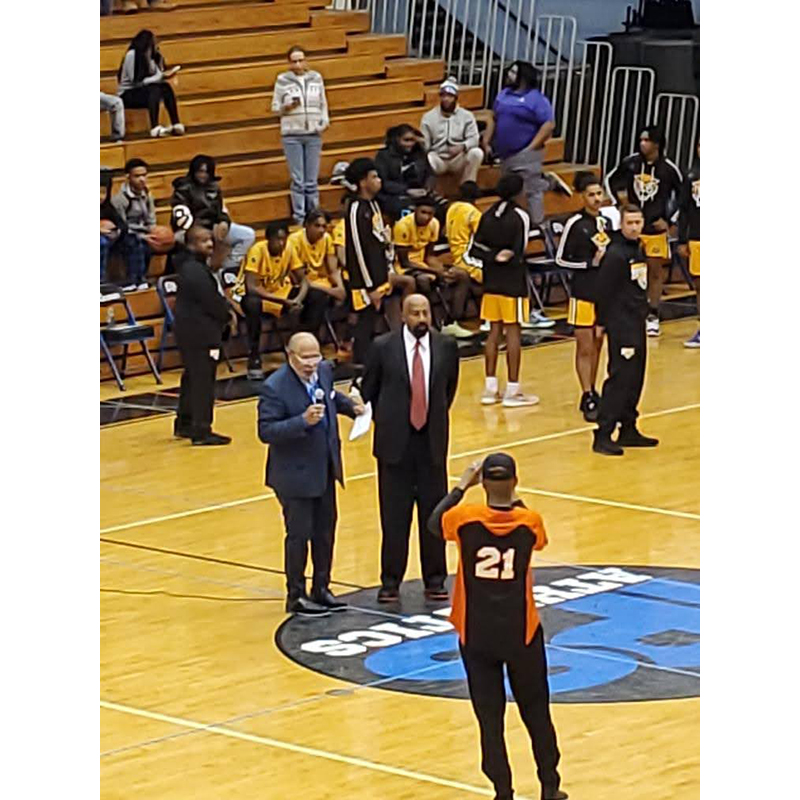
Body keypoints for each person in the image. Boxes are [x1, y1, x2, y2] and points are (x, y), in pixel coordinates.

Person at [428, 454, 567, 800]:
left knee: (490, 719)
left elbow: (434, 523)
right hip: (521, 633)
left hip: (477, 634)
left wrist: (462, 486)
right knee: (537, 712)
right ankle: (550, 786)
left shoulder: (463, 518)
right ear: (516, 482)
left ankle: (502, 792)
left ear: (483, 484)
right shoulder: (529, 521)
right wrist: (511, 497)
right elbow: (537, 538)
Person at [361, 294, 460, 603]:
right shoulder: (382, 347)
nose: (421, 318)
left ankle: (435, 580)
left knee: (434, 516)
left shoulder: (446, 346)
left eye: (425, 312)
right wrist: (391, 420)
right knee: (394, 518)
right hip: (394, 445)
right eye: (415, 313)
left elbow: (448, 389)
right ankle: (390, 581)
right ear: (402, 316)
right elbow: (369, 391)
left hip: (431, 443)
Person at [258, 332, 366, 616]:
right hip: (294, 476)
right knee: (299, 535)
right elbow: (266, 431)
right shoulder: (274, 387)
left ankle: (322, 588)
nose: (310, 363)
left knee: (325, 532)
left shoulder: (324, 372)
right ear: (289, 355)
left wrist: (351, 408)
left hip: (325, 469)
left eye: (314, 356)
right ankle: (295, 595)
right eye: (304, 358)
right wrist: (301, 422)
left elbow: (331, 397)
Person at [593, 205, 660, 456]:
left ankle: (629, 427)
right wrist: (601, 322)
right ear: (621, 224)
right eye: (630, 223)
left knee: (636, 377)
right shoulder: (615, 254)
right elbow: (604, 289)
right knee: (620, 378)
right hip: (621, 324)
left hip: (636, 320)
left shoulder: (638, 248)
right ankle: (603, 433)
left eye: (638, 222)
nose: (634, 227)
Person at [605, 125, 682, 337]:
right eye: (641, 140)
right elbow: (611, 180)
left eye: (647, 140)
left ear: (657, 144)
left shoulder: (668, 169)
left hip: (654, 229)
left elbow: (682, 195)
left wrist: (668, 219)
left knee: (655, 271)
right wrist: (619, 201)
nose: (642, 144)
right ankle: (627, 309)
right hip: (632, 227)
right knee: (628, 269)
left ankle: (653, 314)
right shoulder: (630, 163)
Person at [469, 174, 539, 407]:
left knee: (493, 333)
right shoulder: (520, 216)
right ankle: (512, 390)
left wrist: (491, 256)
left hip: (491, 282)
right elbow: (519, 250)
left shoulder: (488, 213)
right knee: (513, 333)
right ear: (519, 192)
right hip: (512, 282)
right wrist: (503, 256)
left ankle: (490, 389)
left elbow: (475, 248)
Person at [555, 171, 612, 421]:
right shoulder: (575, 223)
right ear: (582, 196)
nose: (597, 199)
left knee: (599, 343)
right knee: (585, 346)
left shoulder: (607, 223)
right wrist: (590, 263)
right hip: (583, 293)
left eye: (599, 193)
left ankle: (594, 388)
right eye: (591, 195)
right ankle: (586, 392)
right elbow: (560, 259)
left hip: (604, 294)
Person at [173, 226, 236, 446]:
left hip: (190, 331)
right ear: (191, 244)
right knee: (203, 380)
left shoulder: (193, 267)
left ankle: (184, 422)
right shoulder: (195, 271)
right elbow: (211, 302)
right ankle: (201, 430)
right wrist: (227, 316)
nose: (209, 244)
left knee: (192, 376)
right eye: (203, 241)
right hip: (200, 334)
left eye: (210, 240)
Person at [482, 61, 555, 226]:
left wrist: (531, 147)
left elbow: (548, 125)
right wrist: (486, 141)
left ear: (523, 77)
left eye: (513, 73)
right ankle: (546, 183)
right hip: (505, 154)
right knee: (509, 190)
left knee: (531, 190)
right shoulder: (503, 94)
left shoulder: (537, 99)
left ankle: (538, 224)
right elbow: (493, 117)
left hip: (526, 153)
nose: (509, 75)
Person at [232, 221, 306, 381]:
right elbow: (251, 287)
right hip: (252, 296)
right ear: (268, 239)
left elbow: (304, 281)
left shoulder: (289, 250)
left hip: (278, 295)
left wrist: (298, 299)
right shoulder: (257, 251)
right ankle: (254, 356)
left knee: (314, 296)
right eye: (277, 239)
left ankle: (302, 349)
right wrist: (283, 301)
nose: (281, 243)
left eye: (284, 239)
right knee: (252, 304)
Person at [393, 196, 474, 339]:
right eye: (423, 212)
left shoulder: (434, 224)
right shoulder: (403, 226)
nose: (427, 217)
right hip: (405, 267)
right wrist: (434, 272)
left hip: (423, 264)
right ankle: (433, 325)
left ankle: (452, 321)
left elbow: (429, 256)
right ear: (415, 211)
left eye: (430, 214)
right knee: (425, 280)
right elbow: (404, 262)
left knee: (461, 275)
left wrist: (442, 270)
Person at [344, 158, 393, 365]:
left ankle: (372, 364)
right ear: (363, 182)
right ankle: (359, 368)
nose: (379, 180)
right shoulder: (355, 208)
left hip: (379, 276)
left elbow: (381, 241)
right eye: (374, 177)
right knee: (364, 324)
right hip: (364, 283)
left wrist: (388, 269)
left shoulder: (374, 205)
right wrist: (370, 286)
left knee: (375, 321)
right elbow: (357, 249)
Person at [272, 46, 329, 226]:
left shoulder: (316, 78)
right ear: (289, 63)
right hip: (292, 134)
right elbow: (274, 108)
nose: (298, 64)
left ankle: (314, 216)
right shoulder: (282, 80)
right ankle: (299, 217)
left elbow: (323, 102)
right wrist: (286, 107)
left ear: (306, 60)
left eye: (300, 60)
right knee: (298, 180)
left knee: (311, 180)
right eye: (294, 61)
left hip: (313, 133)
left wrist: (324, 120)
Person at [170, 154, 256, 272]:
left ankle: (228, 268)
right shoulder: (183, 188)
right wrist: (202, 231)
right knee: (200, 240)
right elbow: (180, 218)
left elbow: (220, 210)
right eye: (200, 171)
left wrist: (224, 222)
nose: (203, 175)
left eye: (206, 172)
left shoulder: (215, 188)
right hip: (189, 230)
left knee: (247, 235)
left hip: (213, 227)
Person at [286, 210, 346, 337]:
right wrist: (331, 291)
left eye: (324, 226)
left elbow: (333, 270)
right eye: (317, 226)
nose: (321, 230)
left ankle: (346, 338)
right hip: (299, 286)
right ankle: (310, 338)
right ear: (306, 225)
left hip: (320, 283)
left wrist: (340, 288)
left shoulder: (327, 239)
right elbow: (297, 279)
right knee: (317, 297)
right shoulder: (293, 241)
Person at [116, 29, 184, 139]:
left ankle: (176, 123)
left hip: (145, 90)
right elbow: (135, 81)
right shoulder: (132, 55)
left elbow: (157, 76)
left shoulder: (153, 57)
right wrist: (159, 77)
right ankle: (154, 126)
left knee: (165, 87)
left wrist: (164, 72)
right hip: (128, 93)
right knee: (154, 90)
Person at [421, 77, 484, 187]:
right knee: (425, 158)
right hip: (438, 158)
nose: (446, 99)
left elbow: (474, 138)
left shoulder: (467, 116)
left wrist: (462, 146)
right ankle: (429, 192)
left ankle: (467, 188)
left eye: (449, 96)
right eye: (443, 95)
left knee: (476, 153)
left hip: (458, 158)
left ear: (455, 98)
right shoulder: (428, 117)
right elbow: (425, 144)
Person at [112, 158, 157, 292]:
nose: (142, 179)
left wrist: (153, 231)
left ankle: (143, 277)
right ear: (128, 177)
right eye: (137, 176)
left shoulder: (147, 195)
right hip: (124, 234)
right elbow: (122, 225)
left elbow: (151, 217)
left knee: (149, 245)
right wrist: (142, 236)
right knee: (135, 242)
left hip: (143, 232)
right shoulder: (120, 199)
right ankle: (132, 279)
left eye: (144, 175)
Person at [375, 124, 433, 222]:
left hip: (419, 194)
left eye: (413, 140)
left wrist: (427, 188)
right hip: (393, 196)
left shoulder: (419, 154)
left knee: (440, 207)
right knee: (406, 209)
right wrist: (406, 191)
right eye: (406, 140)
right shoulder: (383, 156)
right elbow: (383, 182)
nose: (410, 144)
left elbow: (430, 174)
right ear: (396, 140)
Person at [678, 140, 700, 348]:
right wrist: (683, 239)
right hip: (698, 237)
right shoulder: (691, 176)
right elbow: (683, 210)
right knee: (701, 285)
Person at [101, 169, 126, 282]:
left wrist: (116, 231)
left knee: (133, 240)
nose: (100, 196)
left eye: (103, 192)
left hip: (109, 237)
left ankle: (135, 280)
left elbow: (122, 225)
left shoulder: (107, 207)